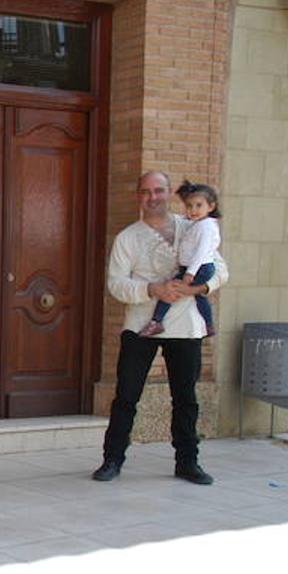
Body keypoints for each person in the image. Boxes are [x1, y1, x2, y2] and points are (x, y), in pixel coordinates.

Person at [93, 171, 228, 486]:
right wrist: (153, 289)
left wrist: (195, 290)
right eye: (145, 191)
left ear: (169, 193)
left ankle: (187, 462)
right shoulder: (128, 238)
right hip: (141, 325)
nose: (152, 197)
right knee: (126, 395)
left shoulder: (196, 225)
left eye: (159, 190)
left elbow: (220, 270)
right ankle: (112, 459)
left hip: (186, 326)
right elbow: (116, 284)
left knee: (186, 398)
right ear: (138, 196)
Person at [141, 180, 221, 338]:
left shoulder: (206, 227)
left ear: (211, 207)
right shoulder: (198, 224)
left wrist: (190, 273)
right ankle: (209, 325)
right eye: (190, 206)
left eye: (199, 205)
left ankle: (156, 321)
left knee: (170, 290)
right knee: (199, 297)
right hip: (194, 268)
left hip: (199, 268)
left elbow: (201, 252)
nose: (193, 210)